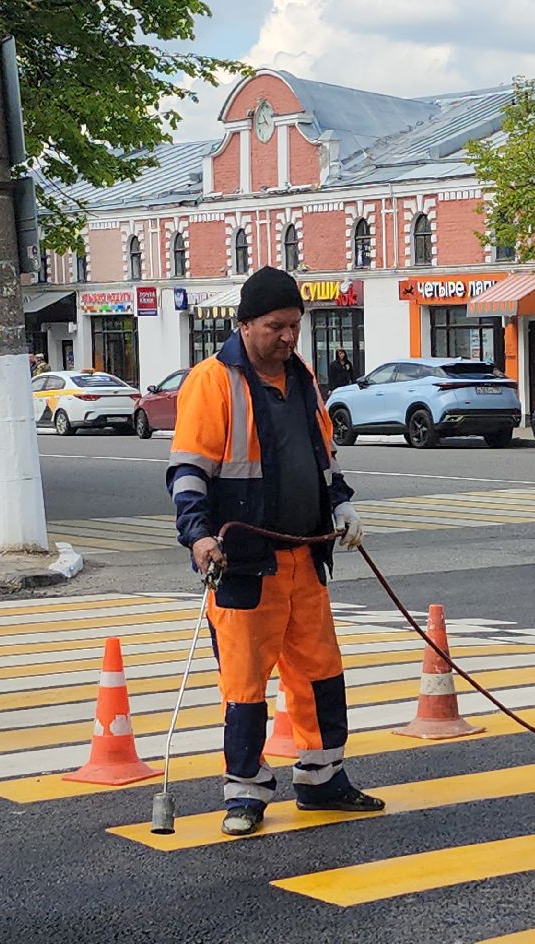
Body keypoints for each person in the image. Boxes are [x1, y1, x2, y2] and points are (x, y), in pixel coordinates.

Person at [167, 266, 380, 837]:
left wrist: (341, 503)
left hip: (305, 557)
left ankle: (321, 779)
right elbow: (189, 470)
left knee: (320, 673)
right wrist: (198, 534)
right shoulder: (212, 383)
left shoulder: (304, 377)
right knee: (244, 684)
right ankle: (245, 790)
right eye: (276, 326)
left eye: (295, 326)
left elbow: (322, 456)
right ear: (244, 325)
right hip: (242, 563)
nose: (288, 337)